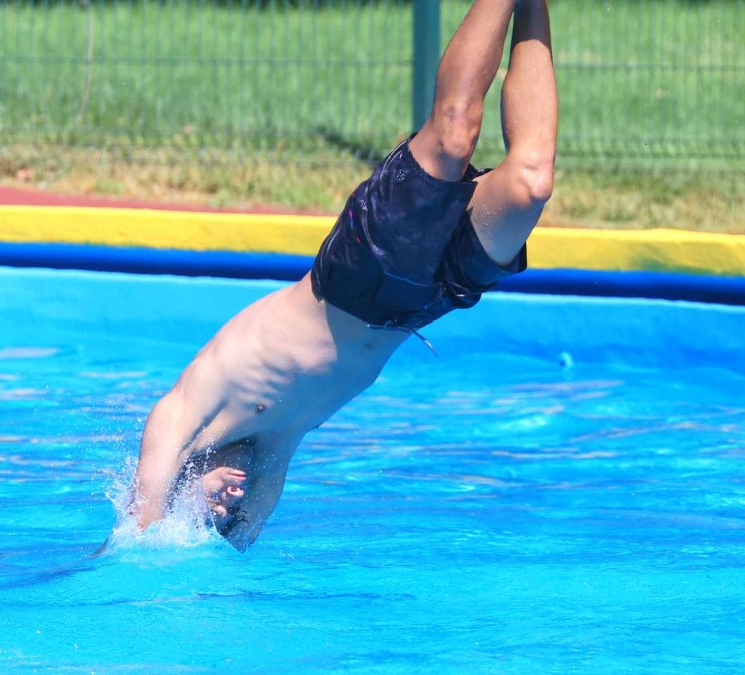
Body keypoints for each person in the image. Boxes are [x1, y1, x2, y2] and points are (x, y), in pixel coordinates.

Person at [126, 0, 557, 550]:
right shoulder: (273, 450)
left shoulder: (190, 410)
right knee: (531, 183)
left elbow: (137, 534)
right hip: (421, 306)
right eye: (223, 516)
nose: (225, 507)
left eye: (206, 510)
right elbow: (230, 559)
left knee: (453, 135)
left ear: (180, 485)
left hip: (359, 272)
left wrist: (147, 526)